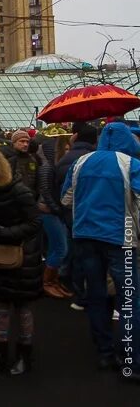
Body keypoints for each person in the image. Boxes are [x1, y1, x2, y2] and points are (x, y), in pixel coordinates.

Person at [61, 122, 140, 381]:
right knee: (129, 299)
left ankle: (104, 353)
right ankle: (131, 360)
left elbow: (66, 198)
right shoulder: (131, 164)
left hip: (85, 235)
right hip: (121, 237)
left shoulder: (81, 162)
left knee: (96, 295)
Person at [0, 144, 42, 378]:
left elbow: (35, 223)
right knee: (0, 306)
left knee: (22, 308)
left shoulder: (20, 191)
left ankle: (24, 356)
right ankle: (0, 355)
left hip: (23, 257)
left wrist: (4, 232)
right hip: (2, 256)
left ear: (0, 166)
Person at [54, 122, 97, 309]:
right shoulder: (95, 159)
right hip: (94, 215)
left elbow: (63, 194)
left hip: (72, 214)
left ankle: (79, 294)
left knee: (76, 253)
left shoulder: (66, 159)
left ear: (75, 136)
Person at [36, 140, 71, 299]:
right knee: (61, 248)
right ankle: (48, 282)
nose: (67, 152)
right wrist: (57, 209)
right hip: (49, 211)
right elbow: (45, 191)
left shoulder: (52, 166)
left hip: (52, 211)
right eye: (65, 148)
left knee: (56, 247)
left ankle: (53, 280)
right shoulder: (47, 167)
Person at [0, 130, 39, 196]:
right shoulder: (7, 159)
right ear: (14, 143)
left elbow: (37, 181)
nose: (25, 144)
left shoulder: (32, 160)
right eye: (22, 141)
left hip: (30, 196)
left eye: (27, 142)